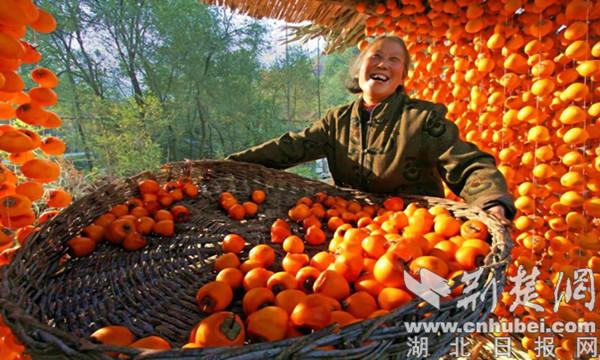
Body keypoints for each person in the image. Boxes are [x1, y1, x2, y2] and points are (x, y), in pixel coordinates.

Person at [226, 35, 515, 225]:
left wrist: (491, 201)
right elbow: (289, 148)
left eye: (394, 60)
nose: (383, 64)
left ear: (402, 76)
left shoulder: (423, 119)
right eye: (375, 56)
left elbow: (466, 162)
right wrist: (231, 165)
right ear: (358, 68)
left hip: (414, 235)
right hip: (351, 230)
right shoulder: (335, 121)